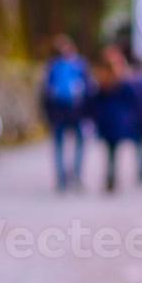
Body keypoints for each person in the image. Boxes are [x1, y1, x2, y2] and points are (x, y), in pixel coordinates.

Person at [40, 35, 93, 192]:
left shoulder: (76, 65)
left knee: (74, 144)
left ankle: (73, 175)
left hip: (74, 111)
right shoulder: (56, 66)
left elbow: (88, 89)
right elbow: (46, 92)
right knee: (62, 145)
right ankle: (64, 177)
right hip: (62, 110)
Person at [91, 46, 142, 194]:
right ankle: (112, 176)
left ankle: (110, 175)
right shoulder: (123, 81)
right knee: (114, 151)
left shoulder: (102, 81)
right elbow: (133, 99)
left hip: (105, 120)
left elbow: (94, 101)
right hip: (118, 120)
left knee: (109, 151)